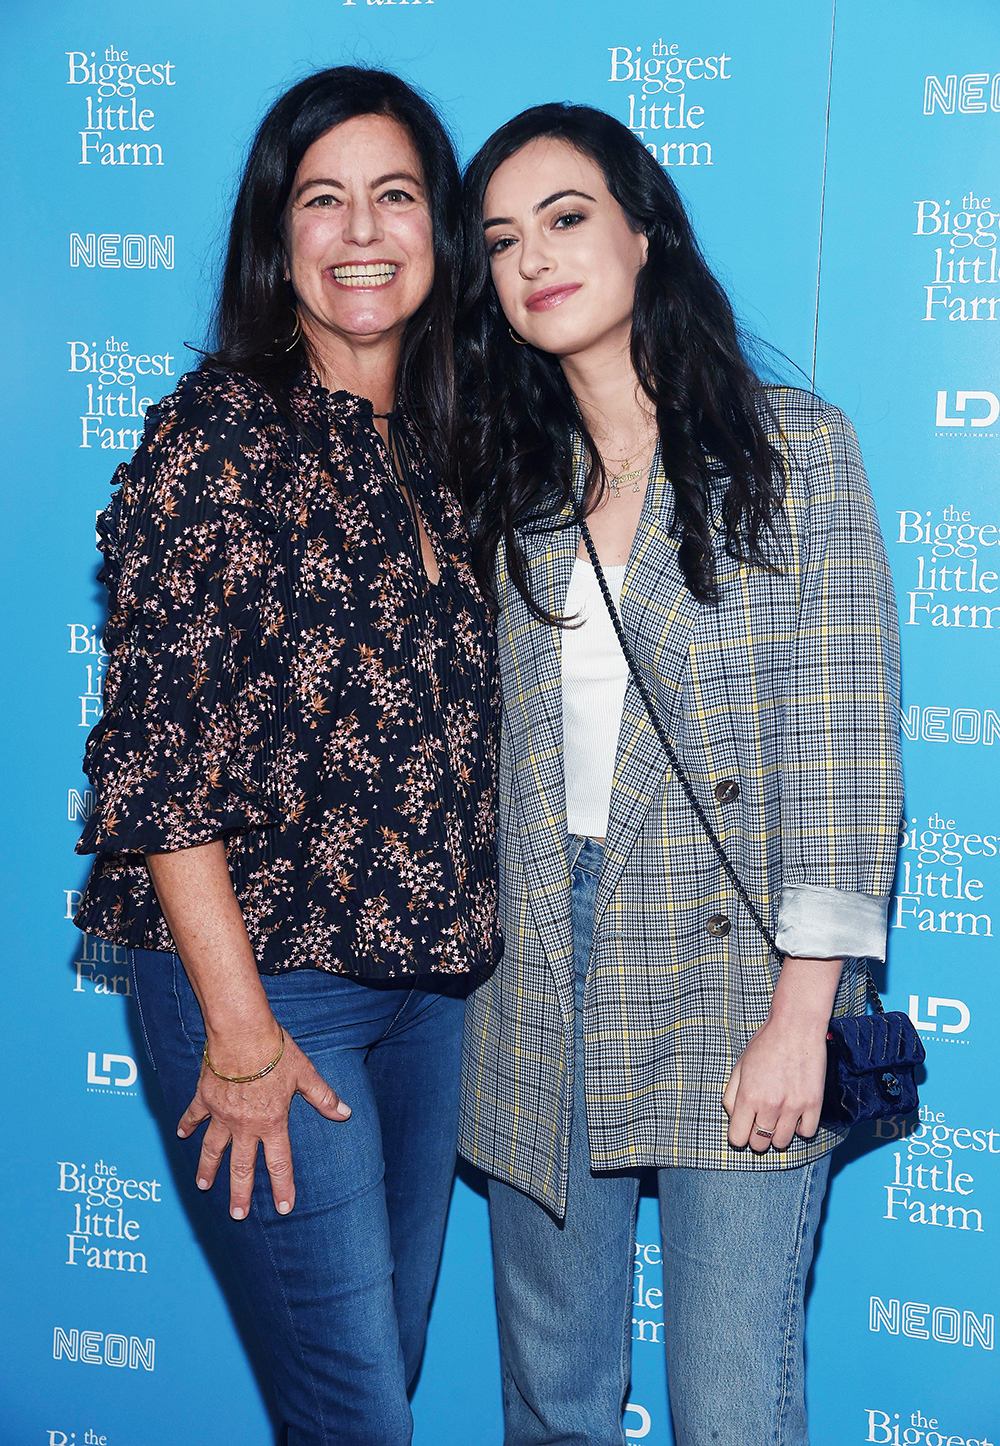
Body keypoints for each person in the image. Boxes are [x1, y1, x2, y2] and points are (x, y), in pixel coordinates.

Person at [457, 103, 902, 1446]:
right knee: (553, 1396)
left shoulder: (792, 451)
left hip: (740, 970)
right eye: (500, 238)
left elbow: (845, 750)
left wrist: (801, 1012)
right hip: (537, 956)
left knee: (729, 1404)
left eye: (568, 216)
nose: (533, 255)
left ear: (646, 232)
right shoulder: (510, 485)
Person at [74, 66, 498, 1446]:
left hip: (428, 1000)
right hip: (266, 992)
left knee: (382, 1365)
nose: (361, 229)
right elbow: (154, 761)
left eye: (394, 195)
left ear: (439, 229)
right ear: (279, 233)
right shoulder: (221, 437)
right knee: (356, 1412)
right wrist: (241, 1034)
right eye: (324, 198)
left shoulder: (441, 450)